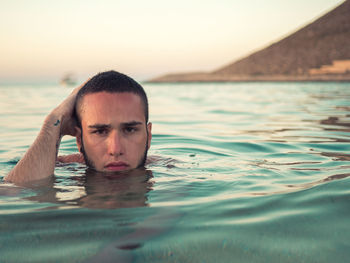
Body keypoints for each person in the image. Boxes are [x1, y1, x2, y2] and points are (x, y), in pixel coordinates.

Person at [5, 70, 152, 184]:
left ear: (149, 136)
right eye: (100, 131)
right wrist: (53, 122)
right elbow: (13, 193)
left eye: (130, 129)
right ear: (79, 141)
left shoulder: (170, 169)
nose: (115, 150)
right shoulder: (66, 165)